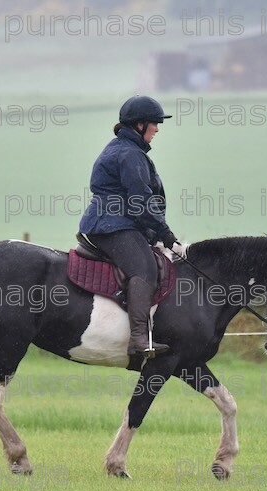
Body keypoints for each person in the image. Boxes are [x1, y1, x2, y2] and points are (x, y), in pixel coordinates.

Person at [78, 95, 179, 357]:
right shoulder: (129, 154)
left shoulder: (125, 149)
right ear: (139, 125)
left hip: (115, 221)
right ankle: (138, 339)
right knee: (145, 270)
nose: (157, 129)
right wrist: (163, 231)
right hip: (112, 224)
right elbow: (140, 199)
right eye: (154, 124)